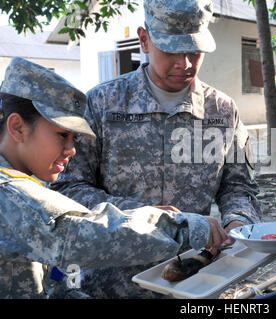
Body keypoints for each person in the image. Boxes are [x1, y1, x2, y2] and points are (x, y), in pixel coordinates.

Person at [50, 0, 261, 298]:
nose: (185, 63)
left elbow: (239, 187)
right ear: (144, 40)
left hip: (193, 280)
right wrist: (146, 217)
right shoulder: (102, 104)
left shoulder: (222, 110)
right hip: (112, 282)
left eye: (194, 50)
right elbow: (68, 189)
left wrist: (239, 224)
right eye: (172, 51)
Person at [0, 56, 228, 299]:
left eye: (74, 138)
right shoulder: (7, 192)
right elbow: (75, 235)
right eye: (62, 134)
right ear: (17, 127)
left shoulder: (21, 183)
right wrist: (179, 225)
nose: (71, 149)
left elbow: (46, 278)